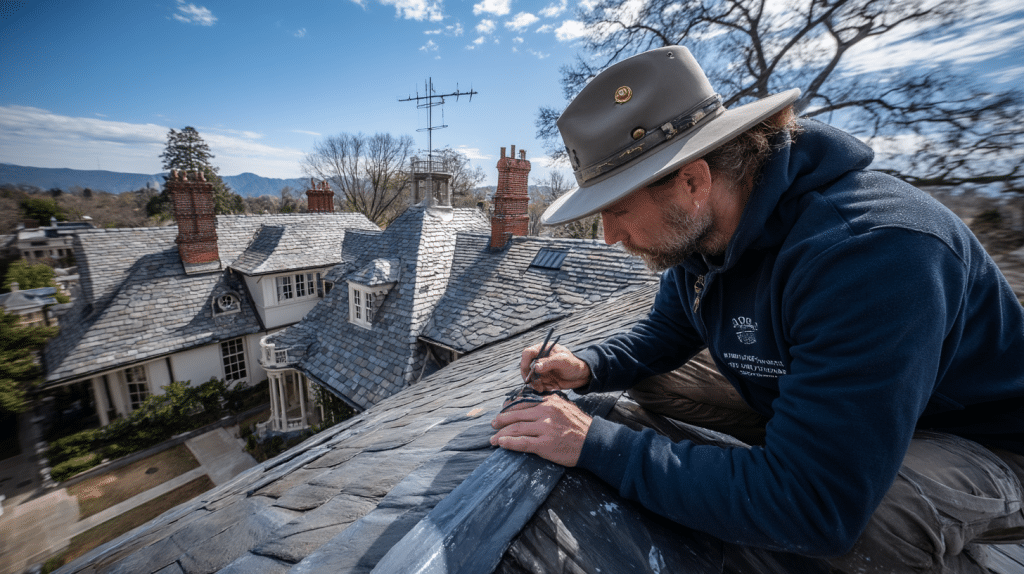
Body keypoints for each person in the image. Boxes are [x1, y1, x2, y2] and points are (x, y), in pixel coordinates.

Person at [489, 46, 1024, 573]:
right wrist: (590, 366)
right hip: (852, 403)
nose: (608, 238)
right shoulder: (704, 235)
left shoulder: (871, 251)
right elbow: (669, 331)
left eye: (619, 210)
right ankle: (798, 449)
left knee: (858, 524)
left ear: (694, 181)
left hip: (973, 440)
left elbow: (814, 507)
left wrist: (593, 443)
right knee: (647, 381)